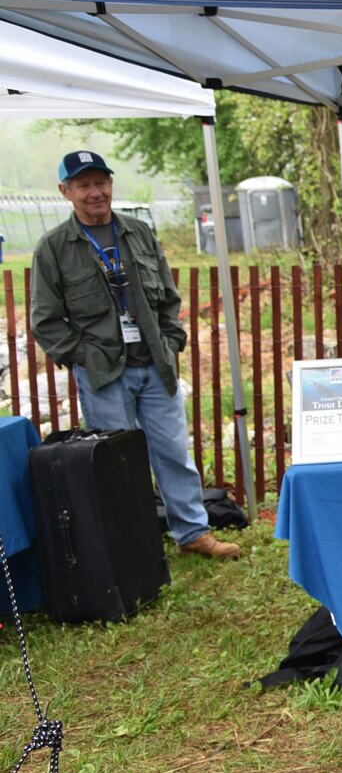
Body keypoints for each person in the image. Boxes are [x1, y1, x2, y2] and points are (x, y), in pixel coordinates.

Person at [29, 150, 240, 560]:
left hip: (155, 367)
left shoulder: (139, 232)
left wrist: (171, 340)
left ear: (111, 184)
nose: (96, 192)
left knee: (174, 454)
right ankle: (131, 543)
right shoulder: (53, 247)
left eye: (101, 182)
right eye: (84, 185)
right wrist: (82, 358)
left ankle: (193, 533)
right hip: (104, 374)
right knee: (116, 463)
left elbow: (167, 297)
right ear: (66, 191)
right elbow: (46, 320)